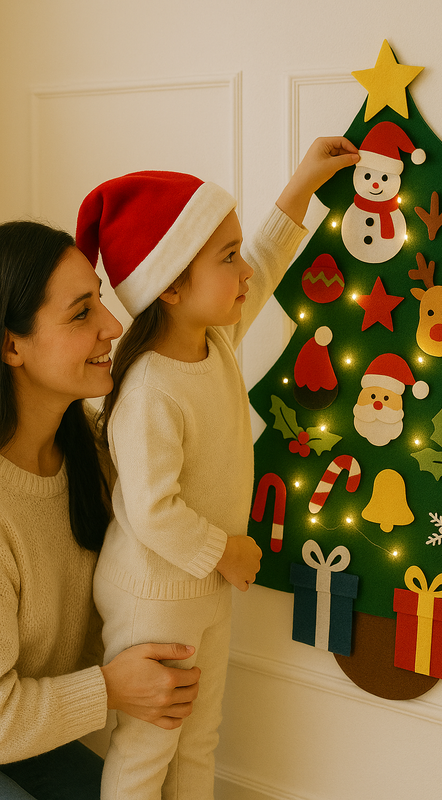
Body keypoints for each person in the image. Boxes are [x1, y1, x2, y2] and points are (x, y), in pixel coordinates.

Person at [75, 137, 360, 800]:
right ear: (171, 286)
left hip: (200, 589)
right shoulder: (149, 390)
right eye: (226, 258)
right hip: (155, 597)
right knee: (147, 750)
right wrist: (224, 552)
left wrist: (300, 188)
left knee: (199, 740)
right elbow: (152, 510)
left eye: (234, 253)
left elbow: (265, 260)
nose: (244, 271)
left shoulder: (215, 341)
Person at [0, 221, 202, 800]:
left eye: (101, 301)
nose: (113, 326)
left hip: (32, 747)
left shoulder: (95, 450)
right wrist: (111, 688)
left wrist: (294, 203)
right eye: (81, 313)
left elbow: (211, 337)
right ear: (11, 346)